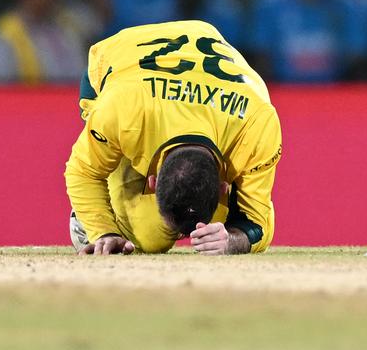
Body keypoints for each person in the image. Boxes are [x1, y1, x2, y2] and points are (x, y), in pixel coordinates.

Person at [65, 20, 282, 256]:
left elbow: (257, 221)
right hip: (121, 58)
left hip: (189, 59)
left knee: (180, 228)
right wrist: (103, 231)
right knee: (149, 240)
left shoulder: (258, 122)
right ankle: (83, 219)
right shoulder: (120, 110)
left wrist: (230, 240)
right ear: (152, 181)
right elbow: (83, 171)